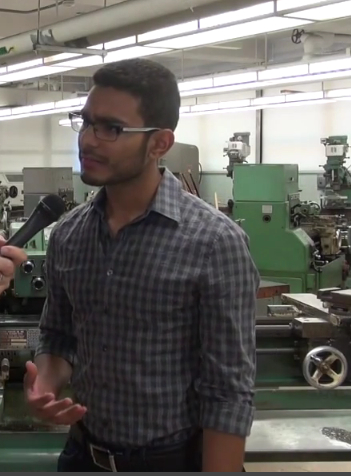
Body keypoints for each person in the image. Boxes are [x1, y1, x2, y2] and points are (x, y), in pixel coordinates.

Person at [23, 58, 260, 472]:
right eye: (85, 122)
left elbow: (227, 392)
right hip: (82, 456)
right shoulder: (68, 234)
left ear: (160, 143)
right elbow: (58, 335)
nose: (88, 140)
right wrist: (46, 384)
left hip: (169, 462)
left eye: (111, 128)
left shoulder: (214, 243)